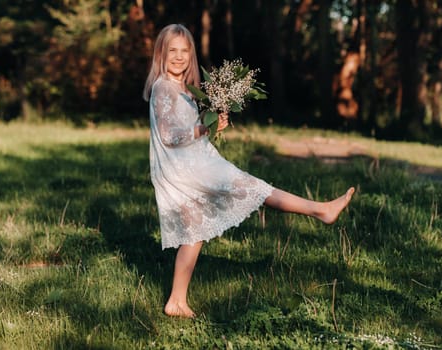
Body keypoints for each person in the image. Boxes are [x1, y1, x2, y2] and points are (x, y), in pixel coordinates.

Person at [143, 24, 355, 318]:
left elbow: (189, 126)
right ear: (161, 54)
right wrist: (205, 127)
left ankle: (176, 301)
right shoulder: (164, 87)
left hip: (194, 162)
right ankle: (321, 210)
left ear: (191, 54)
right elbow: (170, 135)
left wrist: (214, 116)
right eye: (172, 51)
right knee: (255, 188)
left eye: (184, 51)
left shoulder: (185, 89)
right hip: (188, 167)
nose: (178, 57)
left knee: (194, 232)